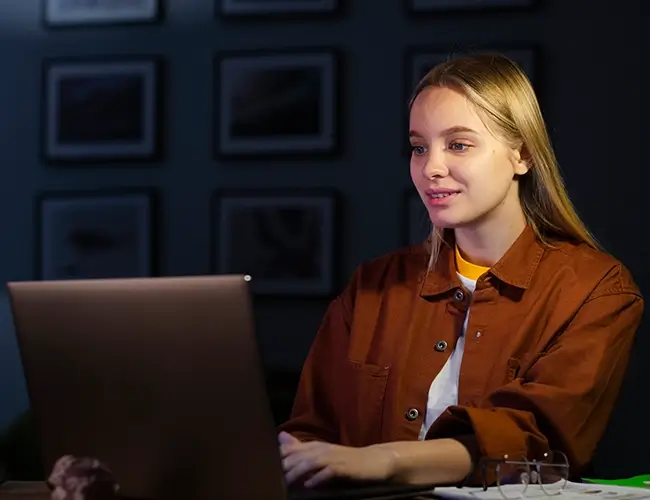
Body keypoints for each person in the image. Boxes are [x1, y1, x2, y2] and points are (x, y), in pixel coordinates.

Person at [277, 52, 644, 489]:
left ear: (522, 155)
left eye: (458, 144)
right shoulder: (372, 286)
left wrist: (387, 459)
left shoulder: (596, 290)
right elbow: (309, 432)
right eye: (418, 147)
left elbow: (540, 443)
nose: (430, 167)